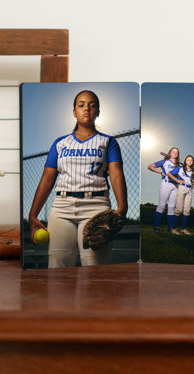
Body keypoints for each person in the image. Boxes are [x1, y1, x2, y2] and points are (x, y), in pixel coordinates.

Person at [28, 90, 128, 268]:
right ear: (74, 112)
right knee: (57, 267)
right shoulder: (60, 143)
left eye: (92, 105)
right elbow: (47, 180)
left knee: (94, 268)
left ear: (98, 111)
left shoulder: (108, 142)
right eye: (81, 105)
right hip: (61, 207)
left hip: (96, 206)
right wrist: (33, 214)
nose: (86, 108)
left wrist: (122, 208)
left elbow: (116, 174)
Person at [148, 147, 181, 234]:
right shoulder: (164, 161)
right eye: (173, 151)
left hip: (175, 185)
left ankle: (170, 228)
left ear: (178, 155)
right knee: (162, 205)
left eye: (176, 152)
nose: (174, 153)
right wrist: (160, 172)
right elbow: (150, 166)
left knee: (171, 207)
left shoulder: (179, 165)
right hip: (166, 183)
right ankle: (156, 227)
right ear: (170, 153)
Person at [167, 155, 194, 235]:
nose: (189, 161)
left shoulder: (193, 171)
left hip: (189, 190)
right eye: (188, 160)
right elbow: (169, 174)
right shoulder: (180, 168)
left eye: (191, 160)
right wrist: (176, 180)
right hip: (181, 188)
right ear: (185, 161)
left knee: (187, 210)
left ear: (193, 162)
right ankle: (173, 228)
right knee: (179, 209)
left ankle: (184, 229)